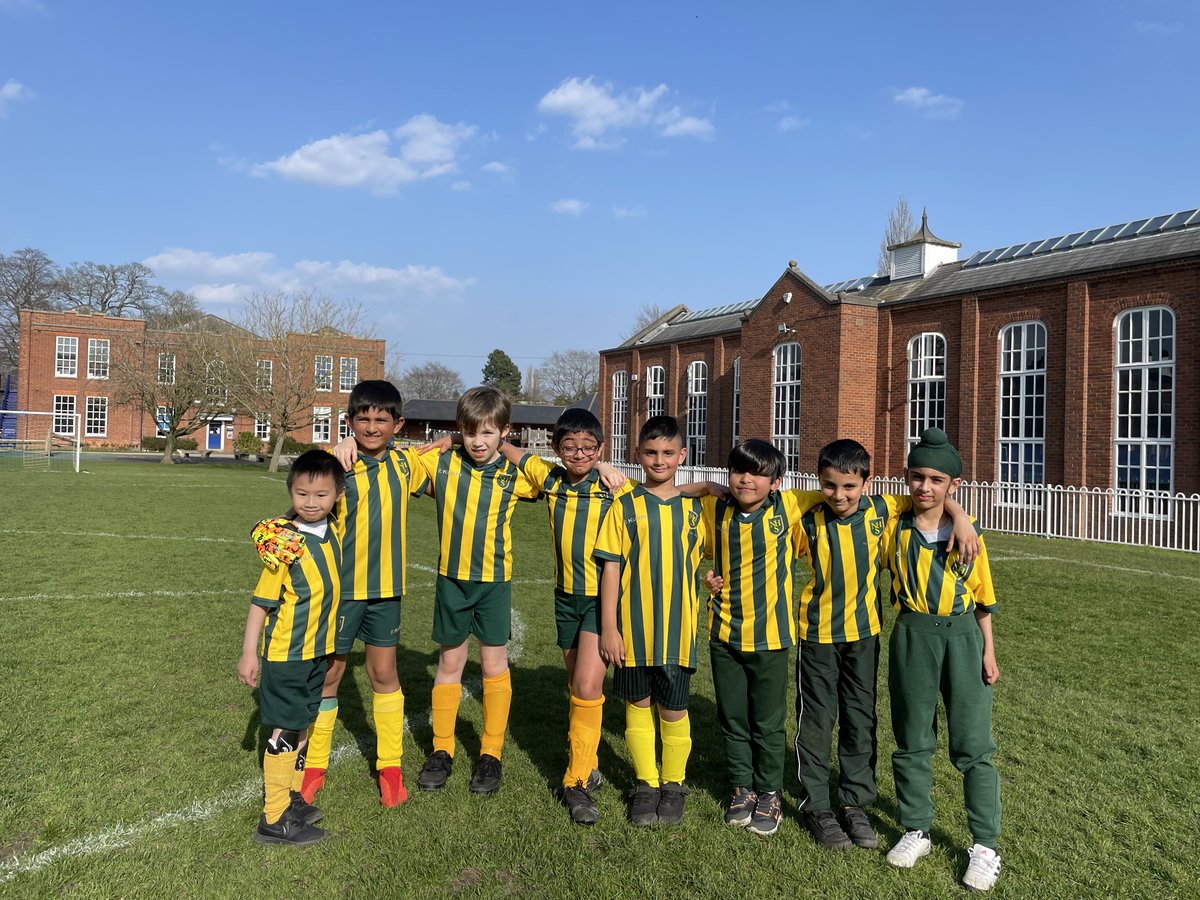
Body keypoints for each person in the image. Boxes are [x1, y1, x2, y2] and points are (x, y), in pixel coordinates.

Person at [793, 438, 979, 851]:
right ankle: (817, 805)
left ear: (867, 483)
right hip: (817, 636)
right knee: (818, 722)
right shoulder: (806, 518)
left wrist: (960, 514)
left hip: (864, 635)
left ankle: (855, 802)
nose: (839, 495)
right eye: (829, 486)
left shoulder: (883, 510)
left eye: (849, 487)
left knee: (861, 720)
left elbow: (930, 495)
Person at [290, 379, 430, 809]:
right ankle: (314, 765)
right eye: (362, 419)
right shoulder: (338, 466)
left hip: (386, 591)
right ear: (349, 422)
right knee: (330, 675)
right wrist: (337, 448)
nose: (372, 427)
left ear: (398, 424)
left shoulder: (407, 466)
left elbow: (455, 450)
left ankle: (390, 766)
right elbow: (305, 500)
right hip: (340, 592)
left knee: (383, 675)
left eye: (381, 420)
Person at [882, 428, 1003, 892]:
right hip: (913, 634)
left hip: (964, 638)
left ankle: (985, 845)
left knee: (973, 745)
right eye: (917, 476)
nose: (925, 487)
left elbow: (983, 600)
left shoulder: (971, 538)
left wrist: (989, 651)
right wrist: (957, 510)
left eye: (937, 479)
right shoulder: (894, 520)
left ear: (953, 483)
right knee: (912, 738)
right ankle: (917, 829)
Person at [413, 386, 540, 796]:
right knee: (450, 663)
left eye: (488, 433)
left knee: (492, 665)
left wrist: (513, 451)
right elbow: (398, 463)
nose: (478, 442)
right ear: (459, 431)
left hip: (494, 584)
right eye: (469, 433)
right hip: (451, 580)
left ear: (504, 431)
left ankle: (491, 754)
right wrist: (446, 441)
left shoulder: (512, 473)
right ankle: (442, 749)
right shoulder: (443, 463)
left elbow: (549, 478)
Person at [596, 415, 705, 827]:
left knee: (674, 708)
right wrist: (610, 628)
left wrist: (710, 580)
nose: (659, 460)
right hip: (633, 632)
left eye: (667, 453)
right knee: (638, 707)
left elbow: (709, 557)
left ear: (682, 456)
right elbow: (611, 569)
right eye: (651, 452)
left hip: (678, 633)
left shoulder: (696, 509)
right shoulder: (623, 506)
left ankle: (674, 784)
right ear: (637, 454)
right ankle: (646, 782)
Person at [700, 439, 807, 837]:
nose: (746, 480)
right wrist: (707, 487)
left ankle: (769, 792)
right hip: (725, 634)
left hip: (771, 638)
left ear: (776, 482)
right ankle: (742, 788)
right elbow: (676, 494)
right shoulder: (718, 509)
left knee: (767, 722)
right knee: (732, 718)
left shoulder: (789, 506)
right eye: (739, 471)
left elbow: (846, 488)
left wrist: (956, 511)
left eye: (758, 473)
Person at [238, 449, 345, 845]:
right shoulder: (284, 545)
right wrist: (250, 653)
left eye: (321, 494)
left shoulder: (334, 528)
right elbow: (260, 604)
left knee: (303, 722)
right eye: (302, 494)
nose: (311, 502)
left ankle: (293, 797)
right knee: (284, 728)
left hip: (319, 651)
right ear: (291, 493)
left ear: (336, 496)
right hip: (287, 654)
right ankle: (273, 818)